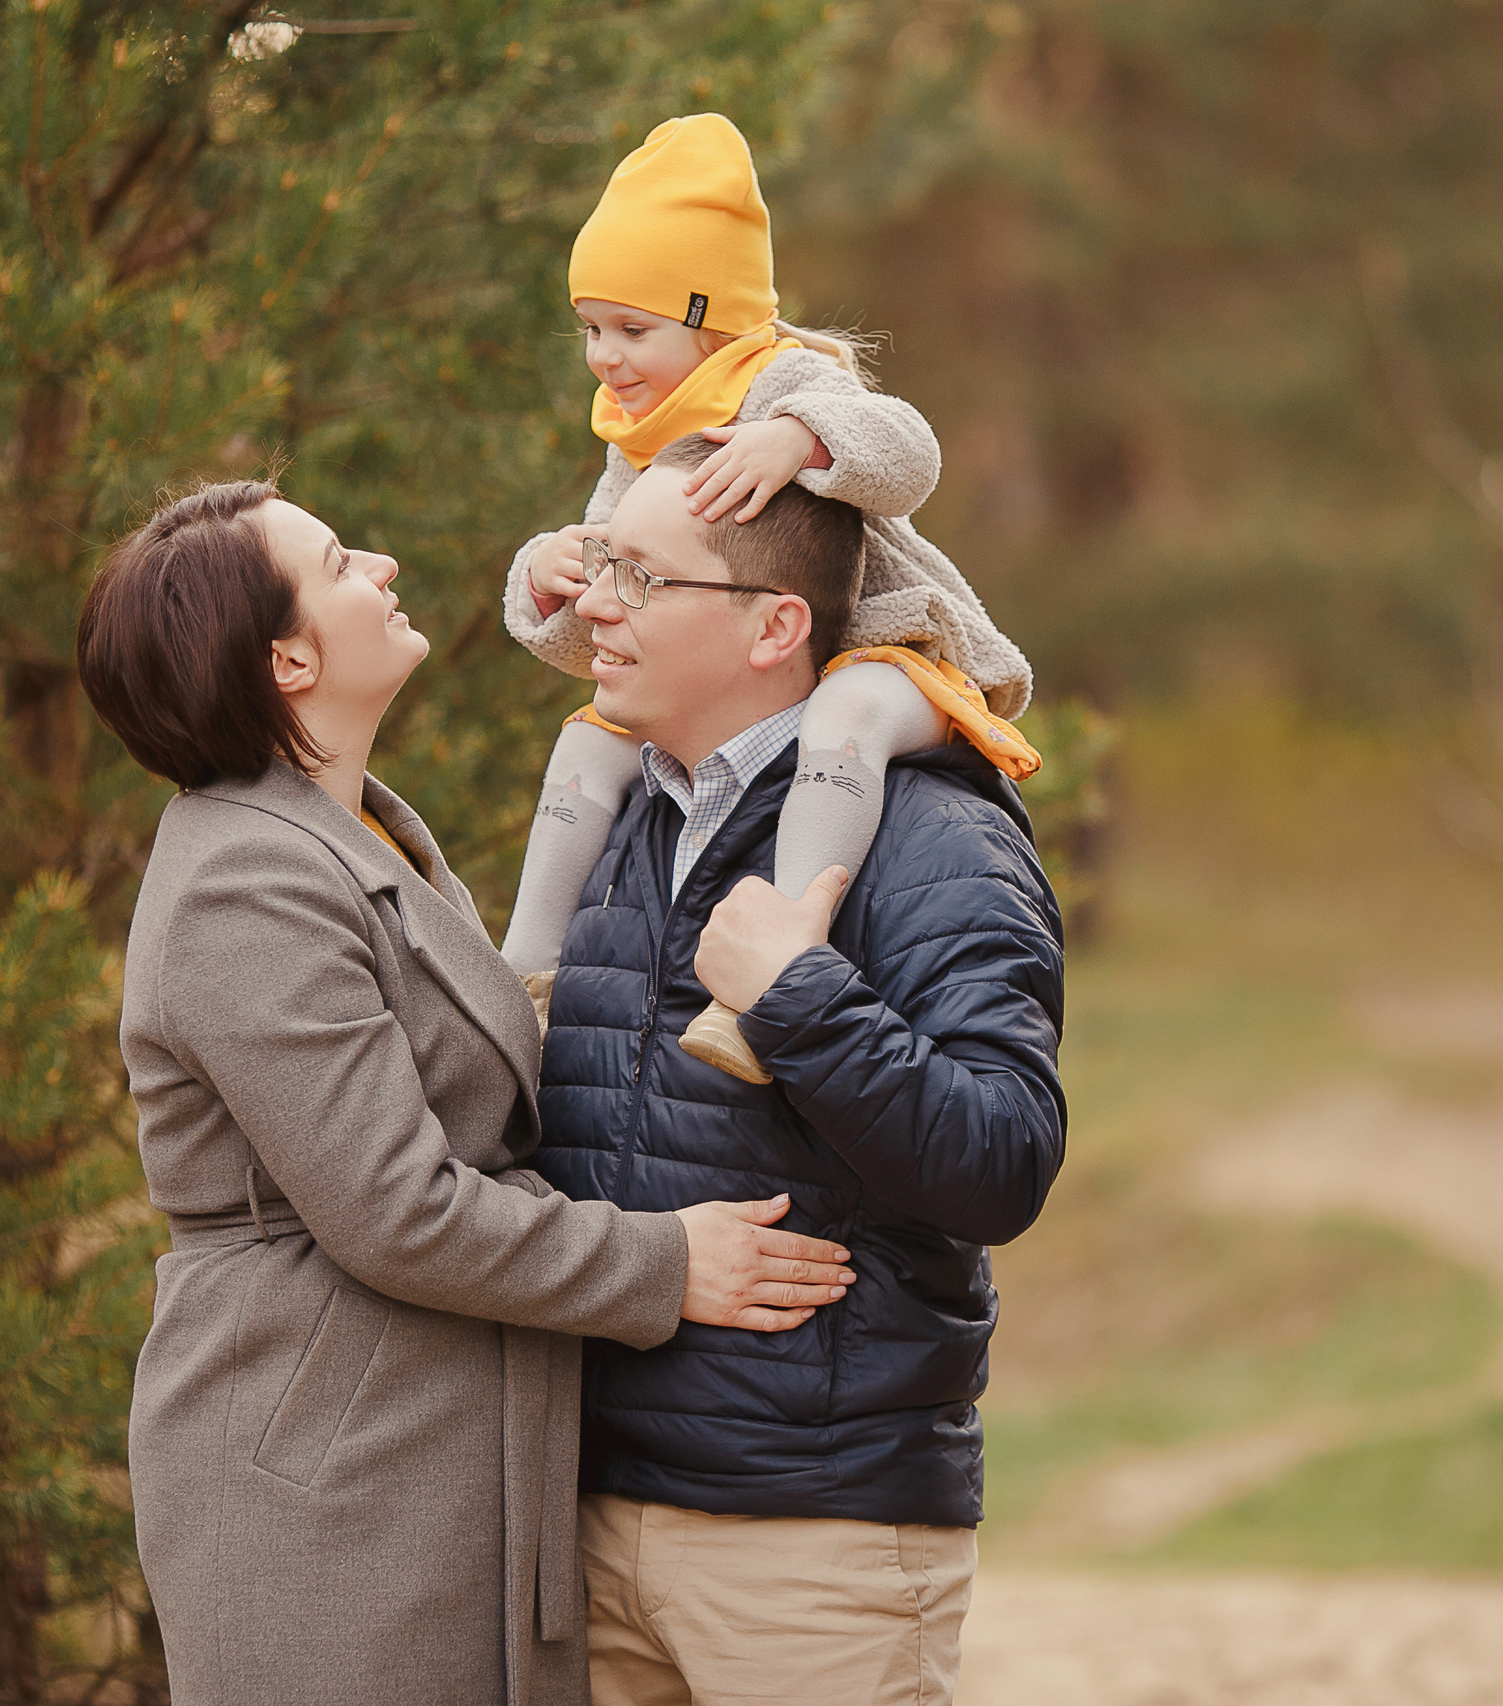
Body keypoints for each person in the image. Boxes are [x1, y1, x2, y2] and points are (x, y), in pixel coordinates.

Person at [76, 480, 862, 1706]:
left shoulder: (351, 829)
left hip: (419, 1442)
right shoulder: (244, 886)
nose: (383, 562)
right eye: (340, 561)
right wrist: (663, 1262)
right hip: (322, 1474)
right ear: (287, 658)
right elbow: (397, 1208)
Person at [531, 436, 1068, 1706]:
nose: (594, 602)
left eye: (642, 578)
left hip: (811, 1539)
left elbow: (1002, 1158)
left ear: (776, 623)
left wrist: (796, 997)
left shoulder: (934, 832)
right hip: (588, 1519)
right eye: (600, 562)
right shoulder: (618, 822)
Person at [499, 112, 1042, 1086]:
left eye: (632, 329)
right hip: (768, 670)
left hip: (895, 652)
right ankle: (526, 972)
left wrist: (799, 437)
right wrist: (549, 576)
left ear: (712, 319)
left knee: (842, 716)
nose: (604, 358)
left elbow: (909, 453)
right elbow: (620, 625)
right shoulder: (638, 436)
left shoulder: (781, 378)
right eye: (589, 330)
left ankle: (787, 959)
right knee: (587, 739)